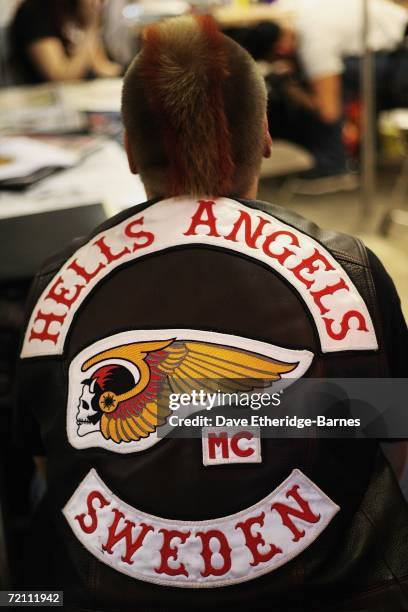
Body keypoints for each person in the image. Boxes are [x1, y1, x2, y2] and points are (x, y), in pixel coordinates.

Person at [16, 15, 408, 611]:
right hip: (334, 589)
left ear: (128, 150)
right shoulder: (350, 266)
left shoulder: (54, 281)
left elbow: (48, 449)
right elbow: (392, 434)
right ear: (267, 136)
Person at [253, 0, 408, 177]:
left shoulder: (314, 42)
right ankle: (369, 150)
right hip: (394, 44)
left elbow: (329, 111)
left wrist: (290, 88)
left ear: (280, 49)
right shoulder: (287, 11)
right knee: (331, 72)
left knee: (336, 76)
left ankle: (333, 163)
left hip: (402, 56)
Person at [10, 0, 122, 83]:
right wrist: (90, 28)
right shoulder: (35, 11)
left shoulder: (78, 8)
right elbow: (61, 78)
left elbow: (101, 67)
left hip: (82, 94)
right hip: (46, 101)